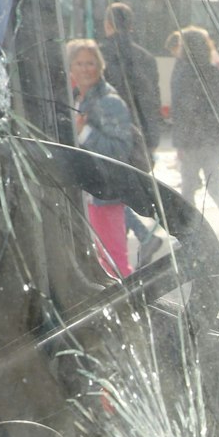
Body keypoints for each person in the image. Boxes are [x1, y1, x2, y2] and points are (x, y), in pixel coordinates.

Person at [169, 27, 219, 254]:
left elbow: (180, 112)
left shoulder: (182, 72)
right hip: (216, 140)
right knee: (215, 189)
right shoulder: (214, 71)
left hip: (192, 142)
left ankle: (189, 237)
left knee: (188, 191)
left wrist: (180, 145)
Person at [66, 38, 140, 278]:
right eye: (79, 63)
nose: (85, 69)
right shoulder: (80, 98)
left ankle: (130, 309)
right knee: (100, 263)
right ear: (70, 68)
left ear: (100, 66)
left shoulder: (109, 101)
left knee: (114, 262)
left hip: (105, 194)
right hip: (88, 194)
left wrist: (84, 132)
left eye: (90, 63)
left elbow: (119, 149)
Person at [100, 3, 164, 262]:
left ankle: (135, 241)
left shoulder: (100, 55)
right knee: (121, 189)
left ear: (108, 26)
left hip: (108, 135)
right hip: (138, 136)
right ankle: (133, 242)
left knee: (107, 194)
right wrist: (152, 140)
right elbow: (151, 101)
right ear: (131, 25)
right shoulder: (146, 58)